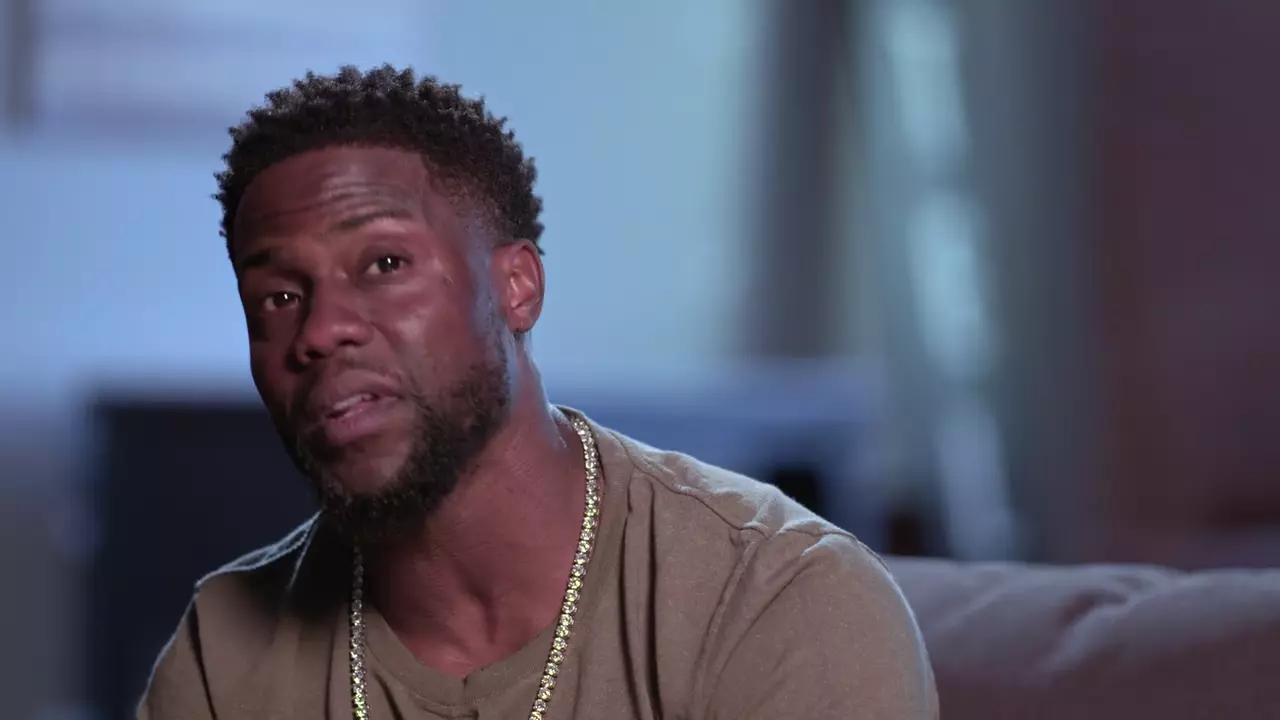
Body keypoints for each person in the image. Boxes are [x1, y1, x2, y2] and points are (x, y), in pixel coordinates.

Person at [138, 64, 938, 720]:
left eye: (384, 264)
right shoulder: (226, 653)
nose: (319, 330)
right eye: (278, 298)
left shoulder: (778, 603)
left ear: (517, 288)